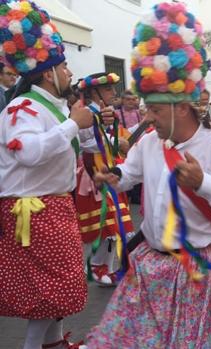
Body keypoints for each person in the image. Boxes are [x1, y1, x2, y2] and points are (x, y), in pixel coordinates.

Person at [85, 3, 211, 347]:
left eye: (156, 110)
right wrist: (112, 175)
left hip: (195, 269)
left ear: (182, 107)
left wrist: (204, 183)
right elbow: (129, 174)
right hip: (150, 265)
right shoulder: (150, 143)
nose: (149, 118)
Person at [0, 1, 93, 348]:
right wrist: (72, 124)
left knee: (56, 288)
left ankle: (53, 345)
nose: (69, 73)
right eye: (65, 66)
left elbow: (66, 148)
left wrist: (83, 125)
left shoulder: (49, 106)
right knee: (50, 289)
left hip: (50, 207)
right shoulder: (21, 107)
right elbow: (28, 152)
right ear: (46, 73)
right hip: (35, 212)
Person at [75, 72, 134, 286]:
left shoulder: (102, 113)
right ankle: (97, 267)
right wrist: (114, 141)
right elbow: (84, 142)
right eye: (108, 89)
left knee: (114, 226)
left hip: (107, 173)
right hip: (92, 177)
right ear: (94, 92)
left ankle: (105, 268)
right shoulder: (85, 114)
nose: (113, 93)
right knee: (107, 226)